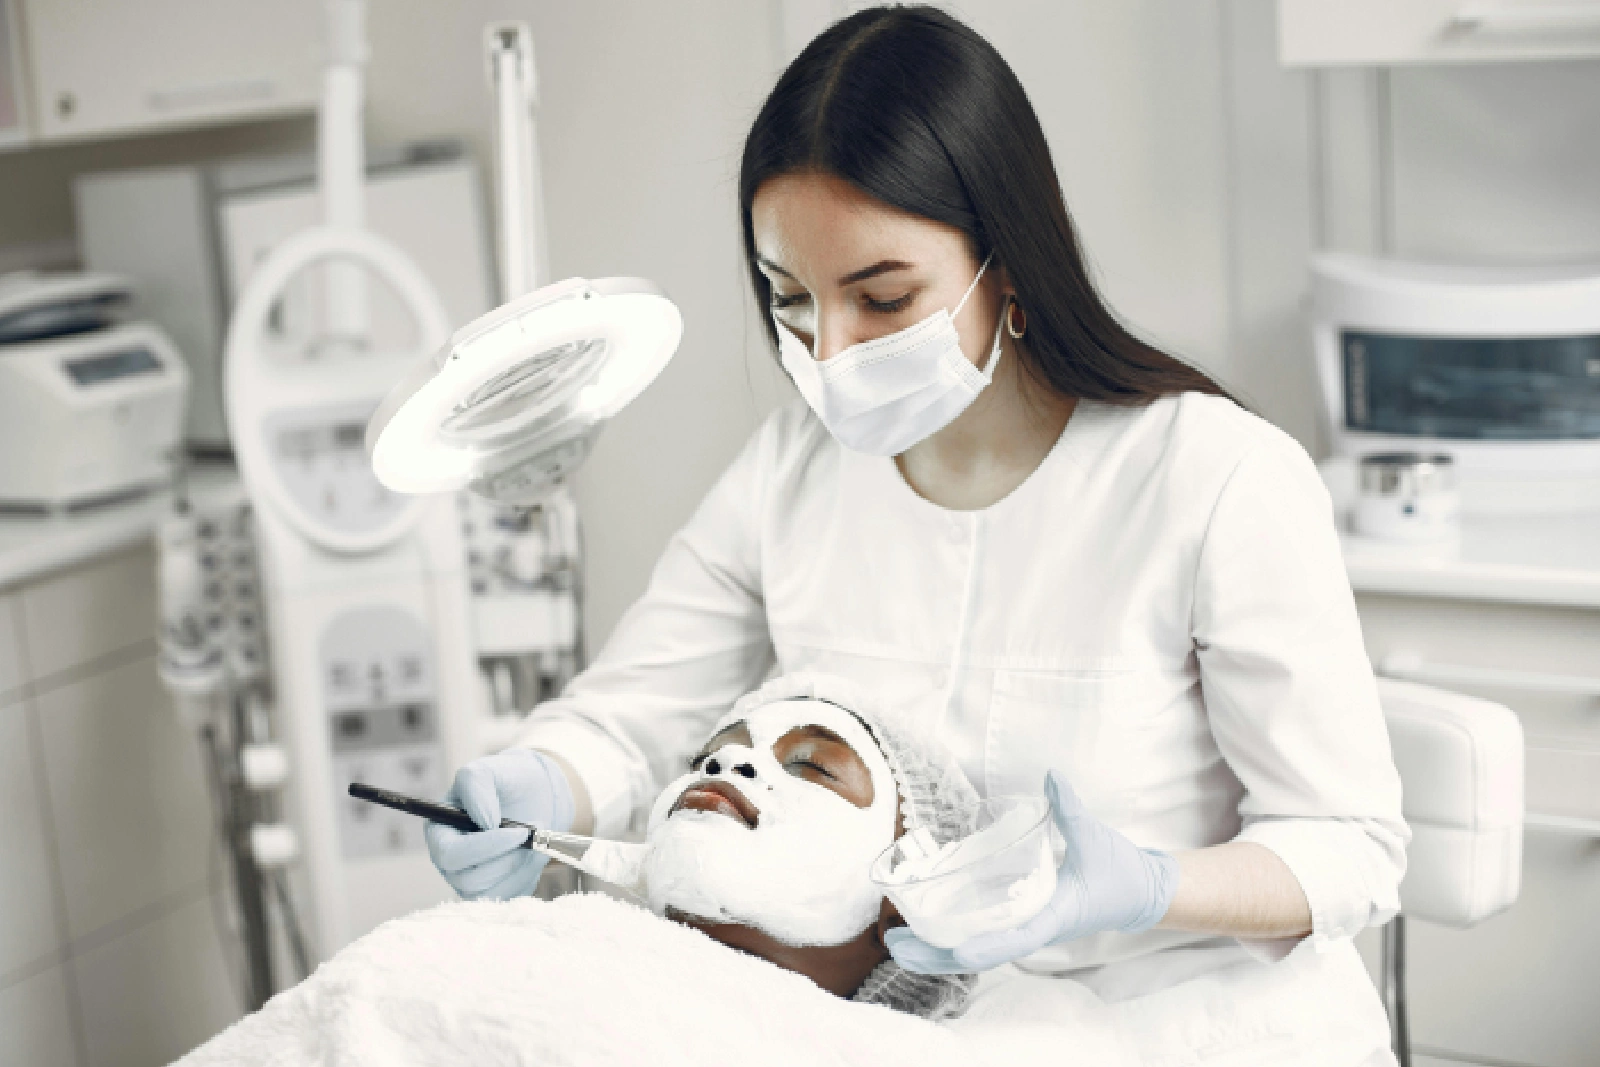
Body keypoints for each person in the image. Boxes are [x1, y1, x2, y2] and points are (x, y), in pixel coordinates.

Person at [428, 7, 1408, 1064]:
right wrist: (535, 779)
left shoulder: (1213, 477)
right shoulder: (790, 471)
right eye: (790, 300)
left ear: (1009, 259)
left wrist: (1149, 886)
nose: (831, 351)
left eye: (881, 298)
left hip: (1189, 1025)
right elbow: (630, 718)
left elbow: (1349, 847)